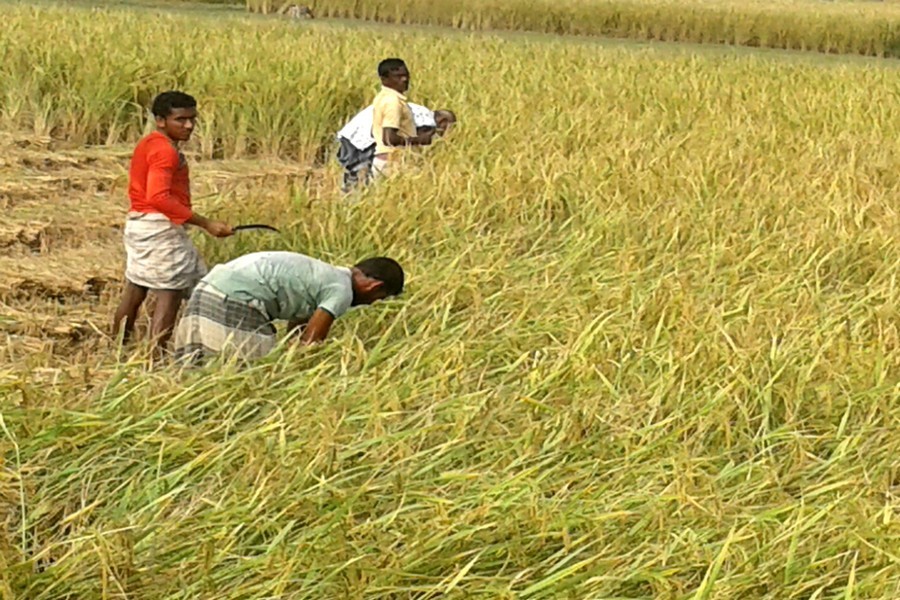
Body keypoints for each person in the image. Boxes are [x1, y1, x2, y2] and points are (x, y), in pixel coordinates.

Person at [111, 91, 233, 355]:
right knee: (170, 293)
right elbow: (158, 197)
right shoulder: (166, 152)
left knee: (136, 288)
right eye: (180, 120)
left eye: (192, 119)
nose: (189, 126)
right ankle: (154, 361)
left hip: (138, 224)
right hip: (159, 229)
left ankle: (117, 350)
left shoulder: (149, 144)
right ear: (160, 120)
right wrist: (206, 223)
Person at [173, 252, 405, 365]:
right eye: (378, 298)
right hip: (237, 297)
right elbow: (310, 340)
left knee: (196, 365)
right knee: (250, 372)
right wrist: (301, 370)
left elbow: (299, 329)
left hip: (210, 285)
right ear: (374, 286)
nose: (373, 303)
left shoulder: (325, 275)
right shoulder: (342, 290)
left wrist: (289, 352)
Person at [337, 105, 456, 192]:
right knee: (362, 174)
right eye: (447, 128)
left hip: (351, 133)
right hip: (366, 136)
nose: (445, 133)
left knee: (354, 174)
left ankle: (349, 201)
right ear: (442, 121)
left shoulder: (418, 111)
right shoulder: (427, 122)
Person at [370, 58, 437, 180]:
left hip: (382, 161)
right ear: (384, 79)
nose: (404, 80)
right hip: (395, 163)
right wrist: (419, 139)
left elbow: (375, 132)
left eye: (406, 75)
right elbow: (389, 138)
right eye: (398, 76)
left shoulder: (381, 98)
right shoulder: (393, 102)